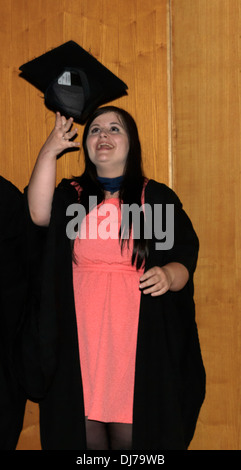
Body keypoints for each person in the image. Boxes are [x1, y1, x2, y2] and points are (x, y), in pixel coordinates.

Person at [26, 106, 205, 450]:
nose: (103, 135)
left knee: (134, 439)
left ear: (131, 143)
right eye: (94, 130)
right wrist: (50, 148)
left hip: (134, 341)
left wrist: (169, 274)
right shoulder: (72, 196)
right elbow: (37, 213)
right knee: (83, 435)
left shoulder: (154, 200)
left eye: (114, 129)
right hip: (81, 339)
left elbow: (185, 258)